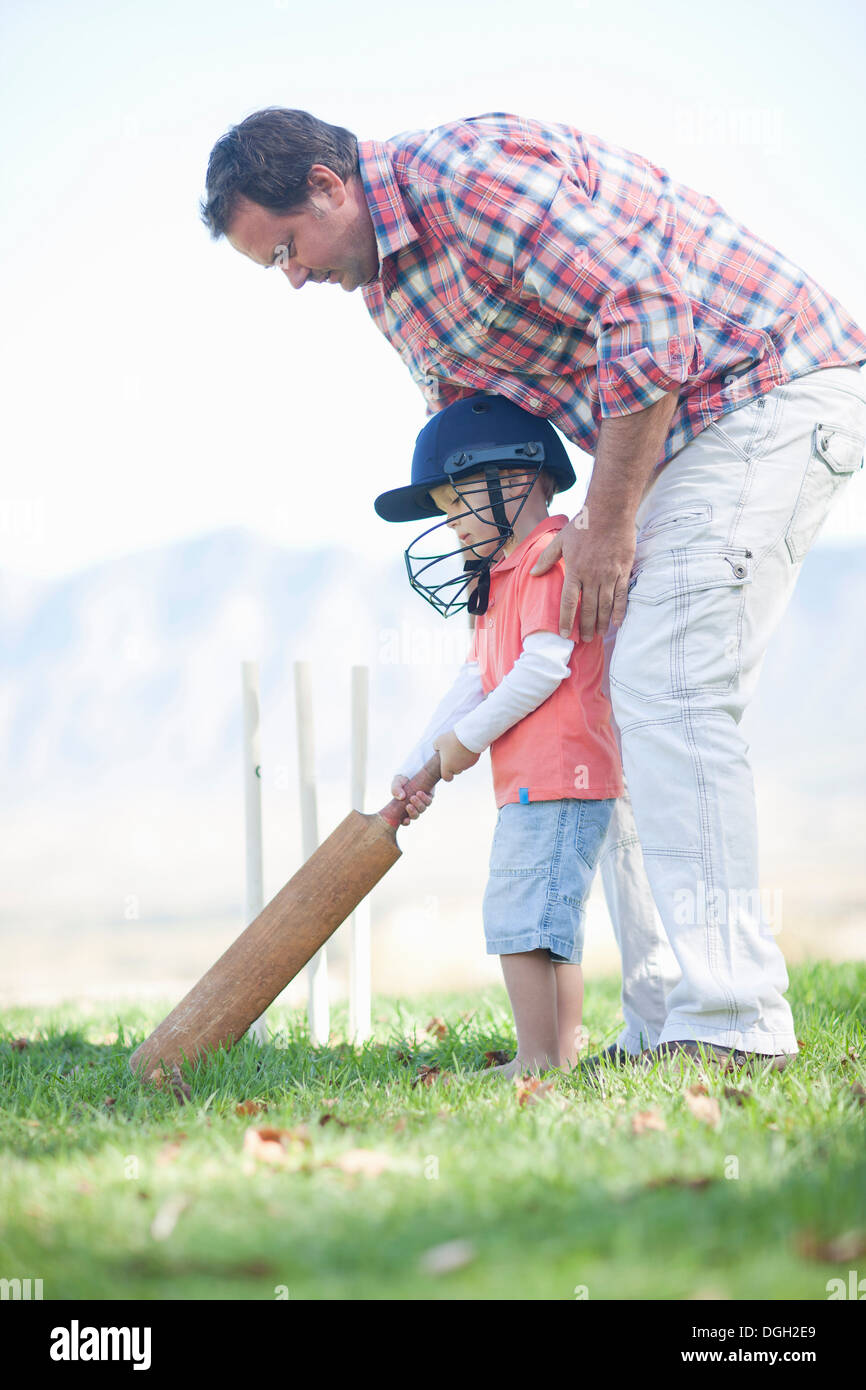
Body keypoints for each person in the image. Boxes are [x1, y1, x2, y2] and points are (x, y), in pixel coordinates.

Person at [202, 107, 866, 1068]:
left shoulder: (467, 181)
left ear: (327, 185)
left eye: (288, 251)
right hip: (672, 437)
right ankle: (666, 1020)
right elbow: (483, 433)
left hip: (765, 386)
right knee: (618, 703)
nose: (295, 277)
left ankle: (737, 1021)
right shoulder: (390, 296)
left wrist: (605, 522)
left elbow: (649, 312)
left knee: (667, 684)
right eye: (275, 268)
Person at [374, 392, 623, 1078]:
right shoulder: (498, 578)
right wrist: (422, 760)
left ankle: (538, 1058)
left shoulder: (546, 558)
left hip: (562, 774)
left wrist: (466, 745)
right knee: (545, 922)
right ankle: (555, 1056)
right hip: (537, 780)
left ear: (513, 481)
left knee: (521, 915)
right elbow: (475, 680)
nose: (449, 523)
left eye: (457, 503)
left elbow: (544, 667)